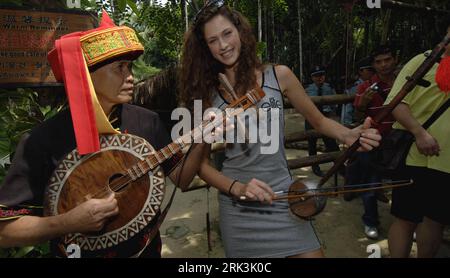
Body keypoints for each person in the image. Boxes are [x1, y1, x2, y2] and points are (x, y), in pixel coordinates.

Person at [180, 0, 381, 258]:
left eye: (227, 33)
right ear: (206, 49)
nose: (223, 45)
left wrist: (348, 134)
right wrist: (237, 188)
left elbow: (318, 121)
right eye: (213, 40)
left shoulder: (279, 76)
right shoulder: (206, 95)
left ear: (240, 32)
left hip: (285, 198)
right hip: (238, 207)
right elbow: (201, 164)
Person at [0, 11, 202, 258]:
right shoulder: (43, 141)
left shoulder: (146, 121)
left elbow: (182, 178)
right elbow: (4, 232)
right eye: (120, 68)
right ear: (86, 76)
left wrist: (204, 136)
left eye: (130, 67)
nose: (131, 77)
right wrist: (67, 223)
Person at [387, 27, 450, 258]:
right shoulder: (422, 61)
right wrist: (419, 133)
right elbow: (396, 102)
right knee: (406, 217)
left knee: (435, 220)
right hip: (413, 154)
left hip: (447, 161)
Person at [347, 45, 397, 240]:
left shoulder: (405, 82)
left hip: (401, 140)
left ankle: (407, 223)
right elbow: (358, 115)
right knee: (370, 183)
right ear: (373, 65)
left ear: (395, 59)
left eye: (387, 60)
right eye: (378, 61)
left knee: (404, 182)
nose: (383, 65)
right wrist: (363, 104)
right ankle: (370, 221)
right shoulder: (365, 87)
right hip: (373, 141)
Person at [304, 66, 340, 177]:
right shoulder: (307, 89)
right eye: (316, 76)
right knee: (312, 143)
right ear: (312, 78)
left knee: (330, 141)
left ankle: (339, 164)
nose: (319, 78)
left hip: (326, 117)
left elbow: (335, 104)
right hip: (311, 117)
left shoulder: (329, 87)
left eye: (321, 75)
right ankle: (315, 166)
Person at [341, 57, 375, 126]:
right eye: (369, 70)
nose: (372, 72)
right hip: (357, 123)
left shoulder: (375, 84)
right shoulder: (354, 88)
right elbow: (347, 111)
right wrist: (347, 126)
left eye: (373, 70)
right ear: (360, 71)